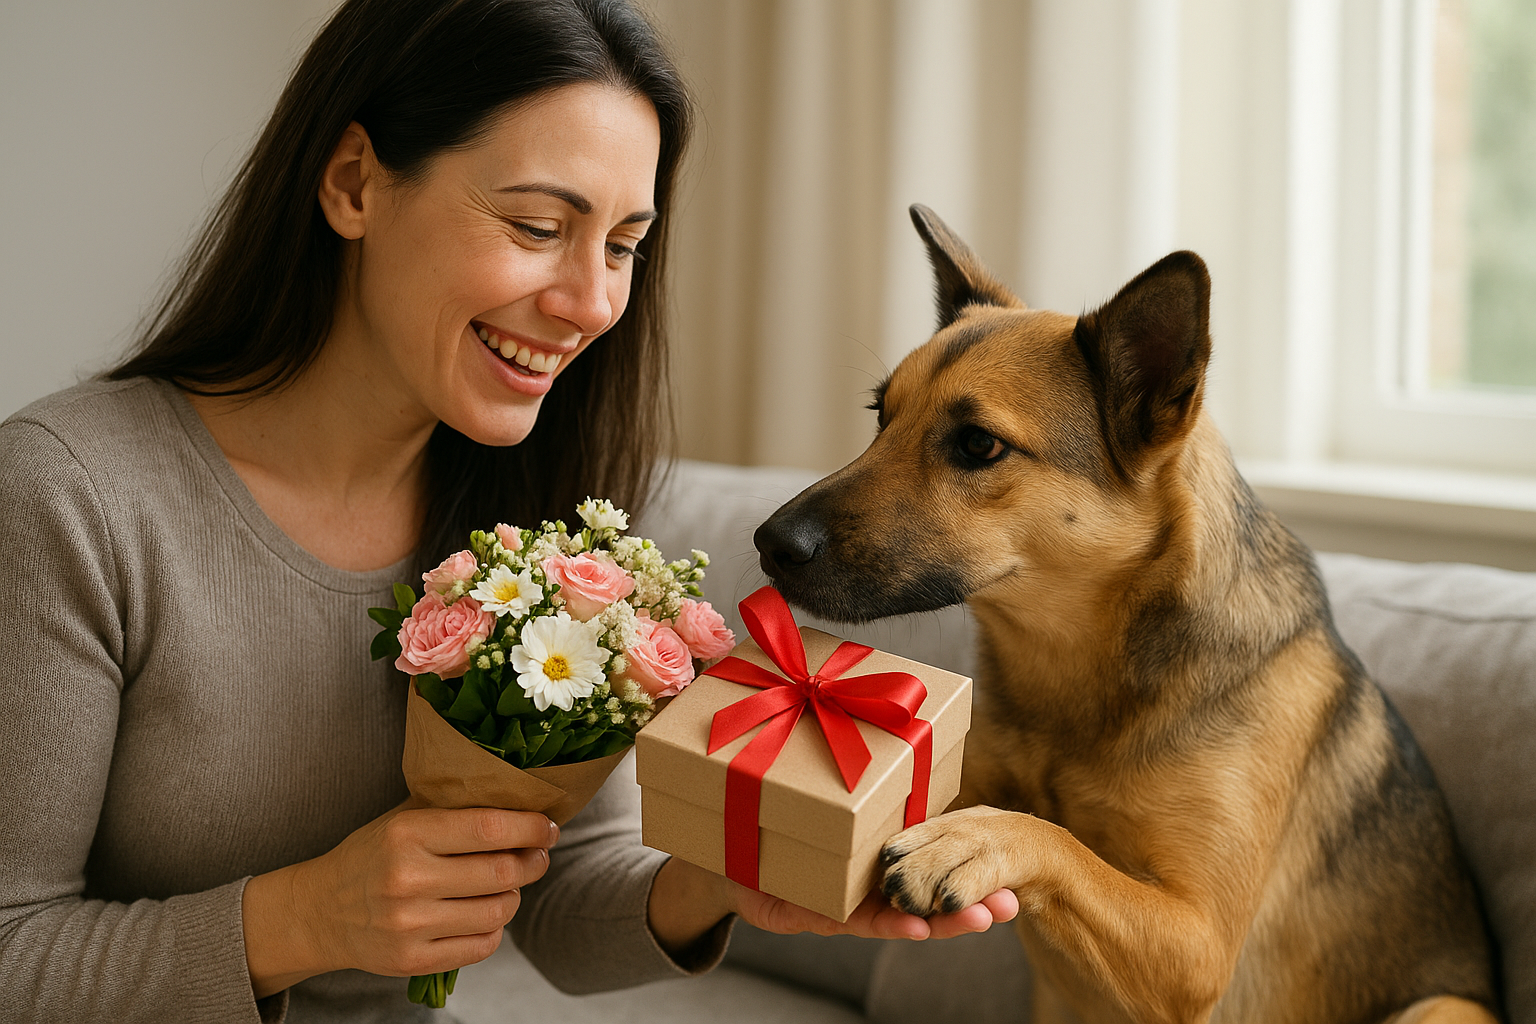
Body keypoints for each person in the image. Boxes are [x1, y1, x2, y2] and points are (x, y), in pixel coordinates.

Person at [0, 1, 1017, 1020]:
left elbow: (563, 887)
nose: (592, 303)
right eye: (539, 227)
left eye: (623, 245)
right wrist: (303, 917)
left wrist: (728, 882)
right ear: (354, 182)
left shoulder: (533, 516)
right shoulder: (70, 500)